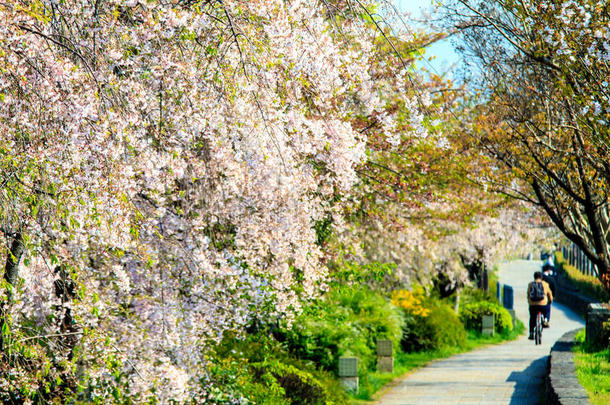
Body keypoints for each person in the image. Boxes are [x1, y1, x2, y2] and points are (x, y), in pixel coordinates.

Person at [527, 271, 553, 340]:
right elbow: (550, 294)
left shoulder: (530, 284)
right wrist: (550, 300)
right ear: (541, 277)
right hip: (543, 304)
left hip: (533, 305)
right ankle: (546, 320)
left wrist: (530, 303)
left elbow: (528, 295)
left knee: (532, 317)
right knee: (548, 308)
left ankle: (531, 333)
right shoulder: (545, 284)